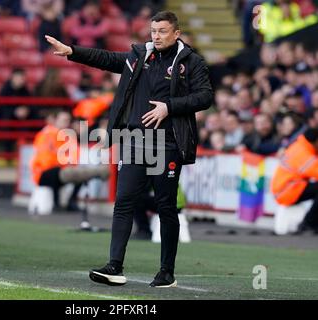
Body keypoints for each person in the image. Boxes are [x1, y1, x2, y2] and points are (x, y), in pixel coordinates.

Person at [45, 10, 213, 287]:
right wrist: (72, 51)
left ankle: (166, 271)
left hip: (168, 142)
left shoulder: (191, 62)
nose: (156, 36)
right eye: (153, 31)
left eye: (162, 31)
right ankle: (114, 266)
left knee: (166, 207)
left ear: (176, 33)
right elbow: (107, 59)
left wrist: (169, 107)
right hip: (135, 140)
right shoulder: (140, 56)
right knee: (123, 201)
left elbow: (206, 96)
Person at [30, 109, 109, 210]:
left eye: (68, 120)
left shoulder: (69, 136)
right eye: (64, 120)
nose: (66, 123)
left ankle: (71, 201)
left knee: (80, 173)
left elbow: (74, 156)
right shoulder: (47, 134)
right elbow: (45, 159)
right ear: (55, 120)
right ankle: (58, 202)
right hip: (43, 172)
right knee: (65, 171)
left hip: (61, 170)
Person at [271, 128, 318, 234]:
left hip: (286, 188)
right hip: (287, 190)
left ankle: (311, 224)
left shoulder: (300, 146)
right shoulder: (303, 153)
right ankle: (308, 224)